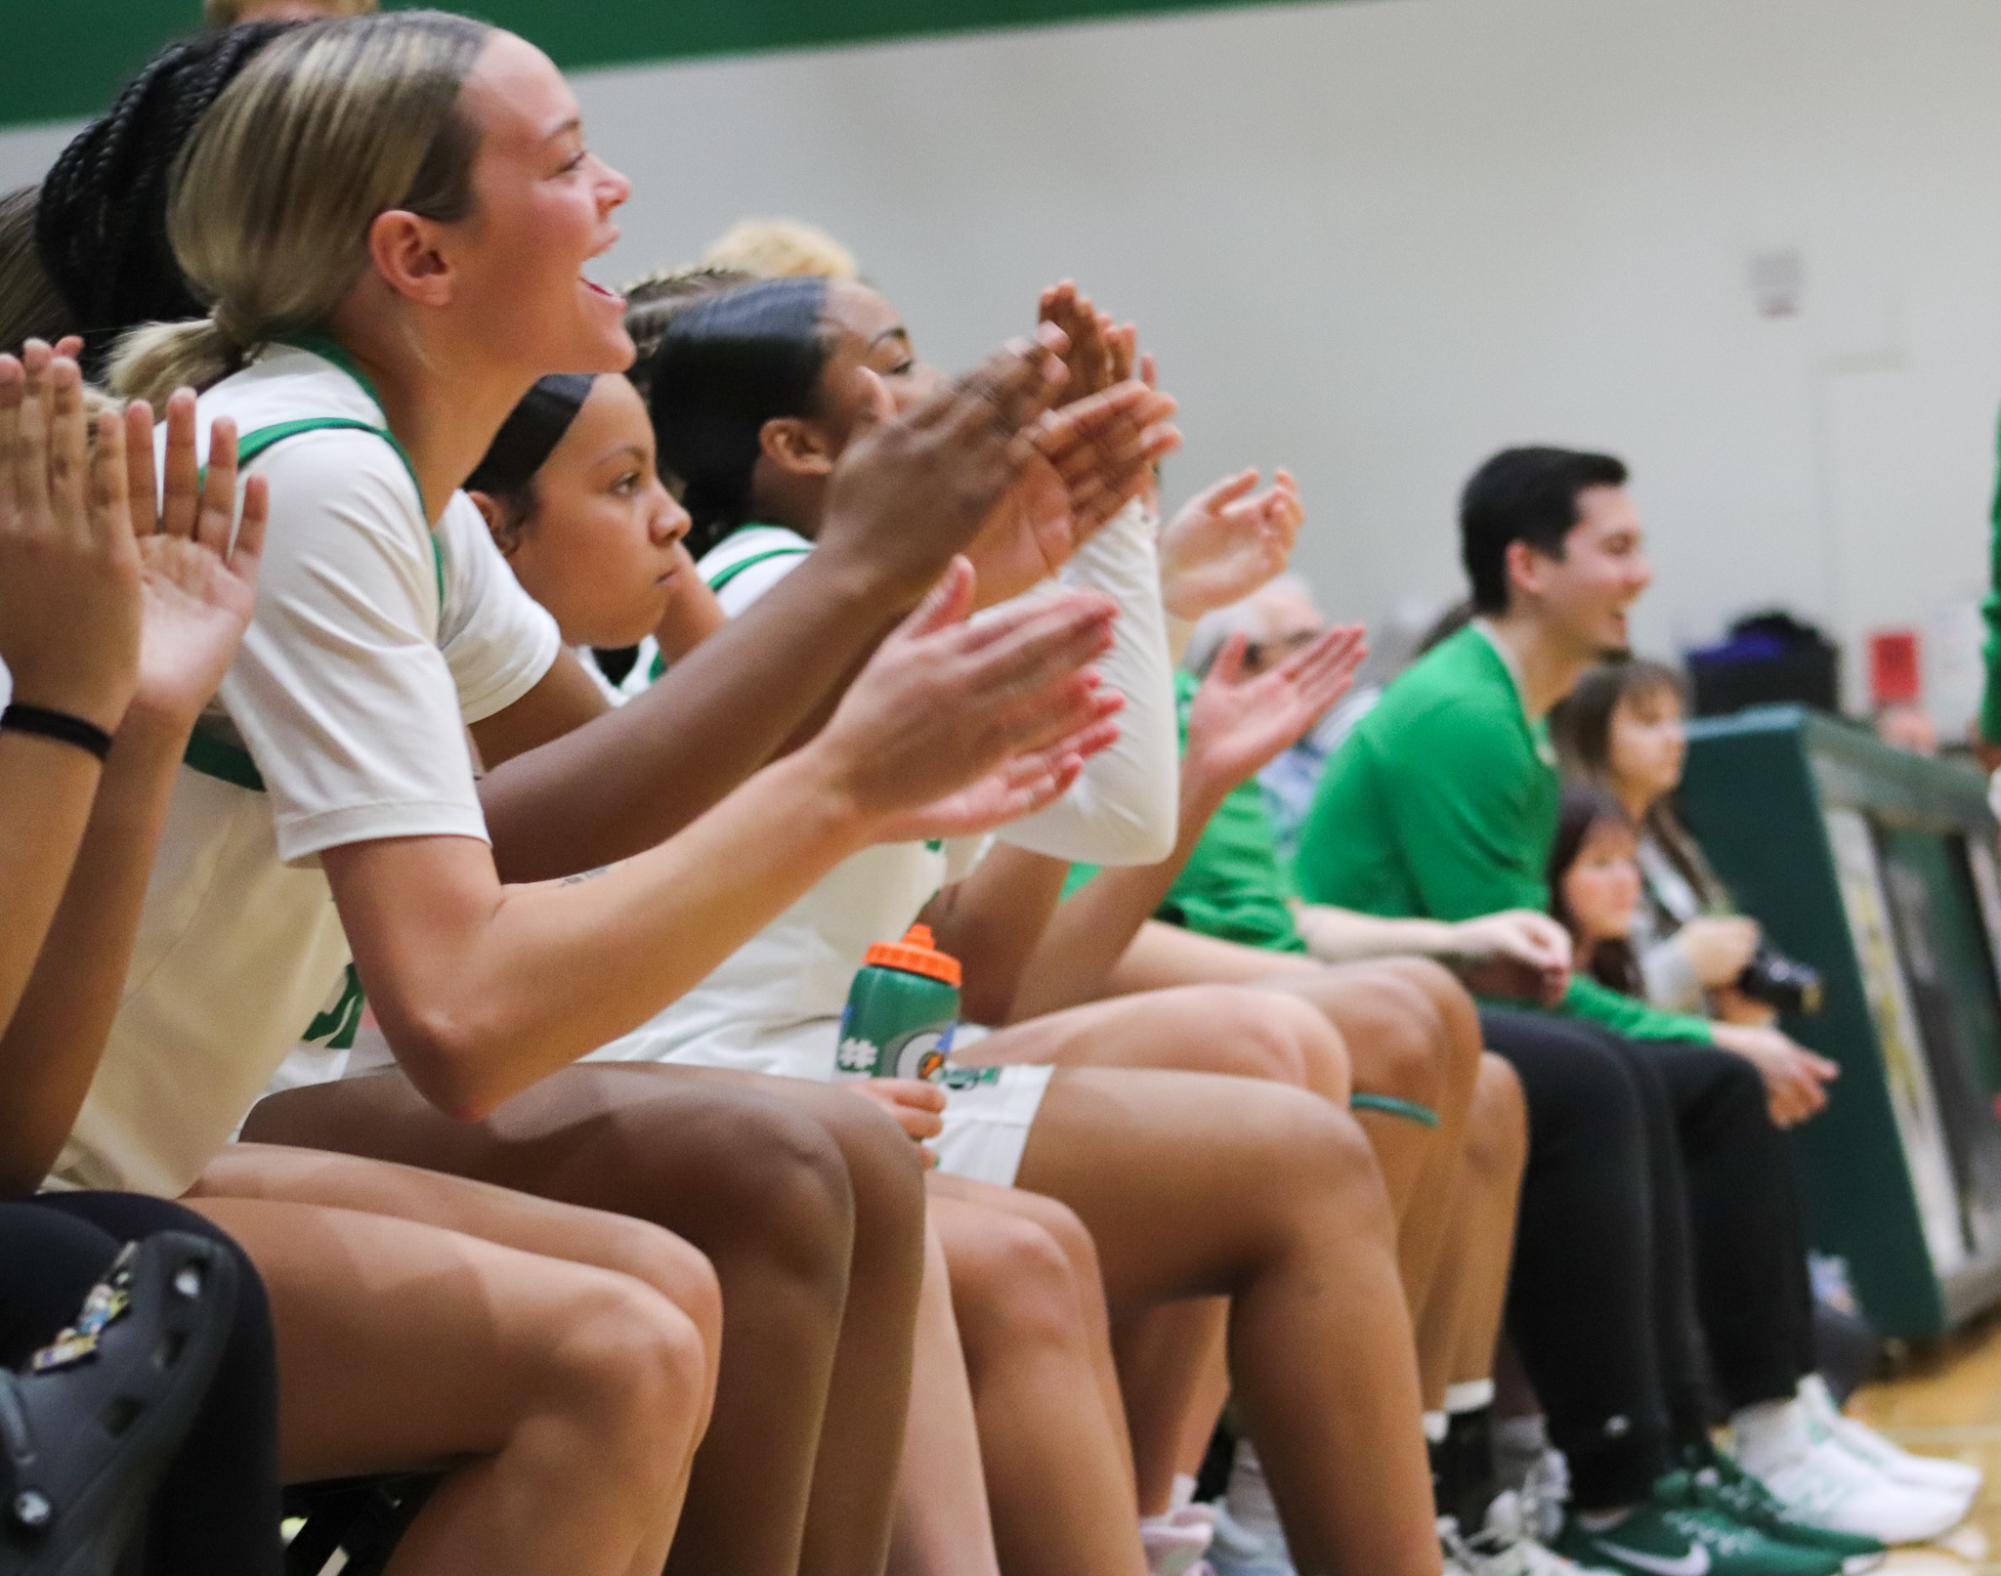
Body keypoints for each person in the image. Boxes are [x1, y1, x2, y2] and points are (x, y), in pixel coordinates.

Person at [53, 14, 1154, 1575]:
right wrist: (857, 613)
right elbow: (464, 1018)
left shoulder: (381, 468)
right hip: (84, 1171)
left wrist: (914, 578)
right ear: (417, 258)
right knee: (626, 1341)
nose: (623, 190)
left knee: (785, 1186)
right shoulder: (311, 469)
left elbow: (601, 795)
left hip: (173, 1136)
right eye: (570, 162)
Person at [569, 270, 1448, 1576]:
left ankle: (1220, 1527)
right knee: (1285, 1160)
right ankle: (1248, 1529)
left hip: (843, 1066)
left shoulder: (862, 598)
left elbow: (1021, 913)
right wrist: (1112, 548)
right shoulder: (768, 588)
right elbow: (1117, 825)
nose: (942, 389)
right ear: (798, 449)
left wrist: (1120, 563)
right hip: (736, 1084)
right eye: (898, 359)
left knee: (1285, 1096)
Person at [1293, 445, 1969, 1558]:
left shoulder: (1507, 708)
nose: (1642, 575)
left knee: (1686, 1073)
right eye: (1617, 548)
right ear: (1528, 565)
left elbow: (1529, 978)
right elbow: (1524, 988)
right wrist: (1700, 1032)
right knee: (1643, 1075)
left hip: (1436, 1010)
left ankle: (1760, 1434)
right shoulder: (1462, 712)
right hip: (1372, 1022)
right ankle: (1631, 1478)